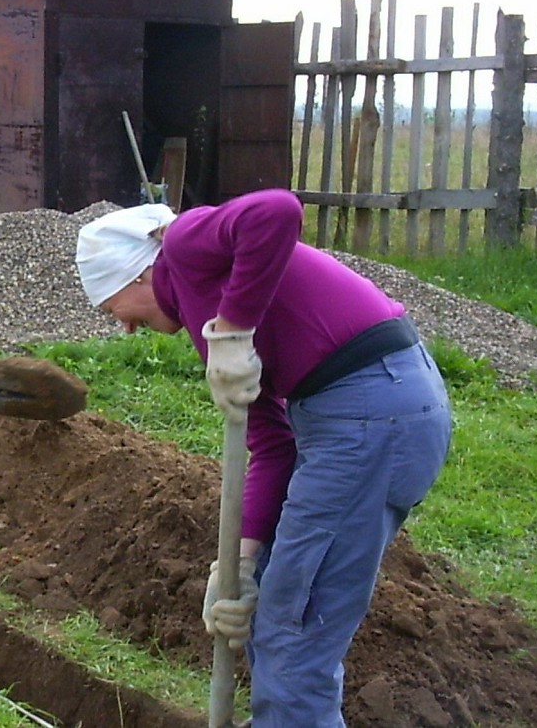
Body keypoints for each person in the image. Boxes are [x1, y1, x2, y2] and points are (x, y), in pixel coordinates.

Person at [75, 188, 452, 726]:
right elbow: (272, 444)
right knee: (273, 603)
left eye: (110, 307)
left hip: (367, 412)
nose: (124, 326)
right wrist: (242, 563)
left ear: (133, 277)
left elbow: (278, 211)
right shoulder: (205, 316)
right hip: (362, 412)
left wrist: (234, 327)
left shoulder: (184, 244)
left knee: (292, 630)